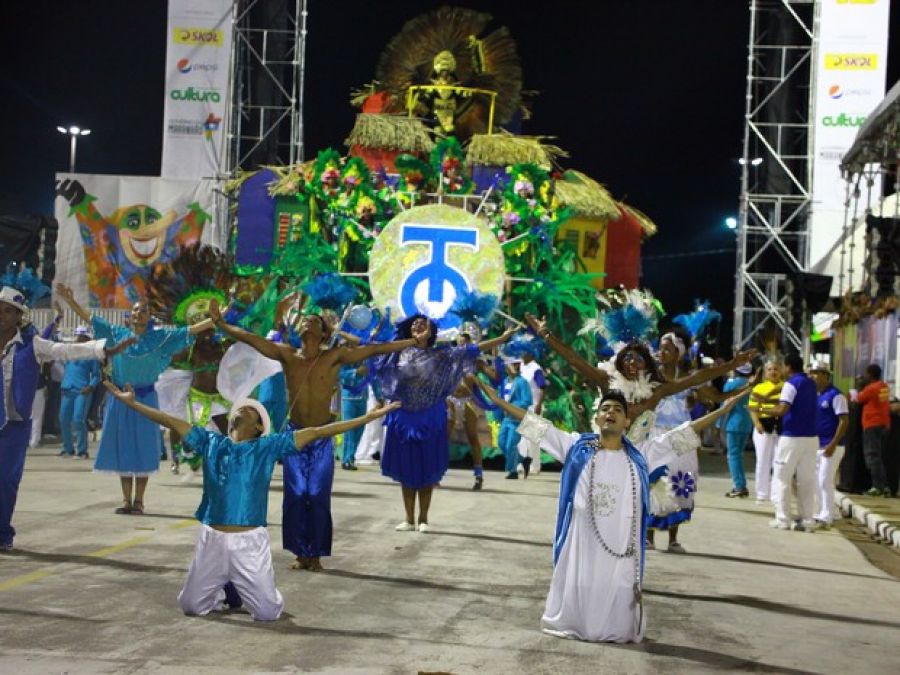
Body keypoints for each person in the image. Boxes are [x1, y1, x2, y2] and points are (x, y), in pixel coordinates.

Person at [468, 375, 746, 643]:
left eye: (617, 410)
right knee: (582, 584)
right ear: (598, 418)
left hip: (620, 540)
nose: (610, 412)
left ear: (626, 422)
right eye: (605, 409)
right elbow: (536, 425)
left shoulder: (642, 454)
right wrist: (499, 402)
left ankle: (613, 628)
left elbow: (684, 434)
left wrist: (725, 409)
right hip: (582, 537)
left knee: (616, 590)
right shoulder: (576, 446)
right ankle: (576, 624)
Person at [102, 380, 398, 620]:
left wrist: (366, 418)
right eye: (240, 407)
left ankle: (247, 589)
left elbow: (320, 431)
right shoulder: (210, 442)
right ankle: (219, 591)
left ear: (258, 427)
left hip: (249, 542)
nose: (242, 409)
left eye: (251, 410)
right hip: (211, 540)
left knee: (268, 613)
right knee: (191, 607)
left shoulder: (267, 447)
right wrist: (132, 403)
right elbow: (168, 419)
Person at [209, 299, 416, 572]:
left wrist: (411, 342)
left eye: (315, 321)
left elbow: (374, 349)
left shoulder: (334, 357)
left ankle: (315, 553)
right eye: (305, 320)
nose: (307, 322)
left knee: (317, 494)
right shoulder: (287, 354)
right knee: (295, 495)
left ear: (323, 333)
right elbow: (252, 339)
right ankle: (299, 552)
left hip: (321, 437)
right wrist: (222, 324)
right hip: (294, 436)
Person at [56, 284, 213, 515]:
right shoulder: (117, 334)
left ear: (149, 317)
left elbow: (189, 331)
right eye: (136, 310)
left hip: (146, 400)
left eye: (144, 311)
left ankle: (139, 501)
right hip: (120, 399)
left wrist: (215, 320)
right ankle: (126, 500)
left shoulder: (159, 338)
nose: (139, 313)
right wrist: (71, 302)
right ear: (130, 316)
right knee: (123, 448)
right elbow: (91, 318)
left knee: (143, 449)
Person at [0, 285, 131, 551]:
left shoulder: (32, 344)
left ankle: (3, 533)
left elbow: (65, 351)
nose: (1, 316)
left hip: (14, 426)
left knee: (6, 481)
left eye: (7, 312)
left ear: (18, 317)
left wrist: (104, 350)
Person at [376, 315, 514, 532]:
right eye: (414, 323)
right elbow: (374, 355)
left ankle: (423, 519)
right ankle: (408, 518)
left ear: (431, 331)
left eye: (423, 323)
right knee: (407, 468)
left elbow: (472, 350)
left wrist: (501, 339)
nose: (417, 325)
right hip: (403, 416)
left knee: (427, 467)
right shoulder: (397, 352)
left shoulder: (440, 355)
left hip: (430, 416)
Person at [763, 354, 819, 531]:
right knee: (807, 480)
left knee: (781, 478)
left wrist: (762, 409)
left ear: (788, 367)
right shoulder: (811, 383)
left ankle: (783, 519)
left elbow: (782, 409)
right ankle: (807, 520)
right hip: (811, 438)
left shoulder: (791, 384)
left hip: (792, 436)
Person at [809, 361, 848, 527]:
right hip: (817, 445)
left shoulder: (836, 395)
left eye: (817, 373)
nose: (814, 376)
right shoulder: (815, 395)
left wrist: (833, 443)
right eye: (812, 373)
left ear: (826, 375)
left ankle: (826, 516)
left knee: (825, 480)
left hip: (833, 446)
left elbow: (844, 421)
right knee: (818, 480)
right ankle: (830, 511)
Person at [58, 325, 101, 459]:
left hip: (82, 391)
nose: (79, 339)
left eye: (82, 336)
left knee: (78, 419)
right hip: (67, 390)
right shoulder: (69, 352)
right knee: (63, 419)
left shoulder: (91, 355)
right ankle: (68, 449)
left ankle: (82, 451)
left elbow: (96, 375)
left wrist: (91, 387)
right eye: (78, 336)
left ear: (87, 338)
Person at [748, 360, 783, 505]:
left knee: (778, 462)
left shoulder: (786, 387)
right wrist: (757, 423)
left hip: (781, 427)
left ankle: (776, 495)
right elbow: (753, 408)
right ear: (765, 372)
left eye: (775, 369)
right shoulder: (759, 388)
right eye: (769, 369)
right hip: (763, 426)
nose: (773, 372)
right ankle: (762, 493)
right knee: (763, 461)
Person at [856, 364, 892, 497]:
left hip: (872, 425)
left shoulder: (871, 388)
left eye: (865, 374)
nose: (864, 376)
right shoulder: (884, 386)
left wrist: (860, 386)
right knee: (879, 457)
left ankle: (877, 487)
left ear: (870, 375)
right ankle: (885, 486)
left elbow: (859, 399)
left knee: (872, 457)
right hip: (884, 424)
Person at [722, 363, 754, 498]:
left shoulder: (730, 385)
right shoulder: (752, 384)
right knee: (739, 455)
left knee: (733, 456)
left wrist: (719, 424)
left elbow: (724, 406)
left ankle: (739, 486)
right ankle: (741, 484)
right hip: (747, 423)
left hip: (733, 424)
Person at [498, 359, 532, 479]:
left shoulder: (522, 382)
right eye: (512, 364)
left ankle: (513, 471)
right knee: (501, 443)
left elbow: (527, 400)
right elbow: (500, 399)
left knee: (511, 444)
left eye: (517, 364)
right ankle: (523, 460)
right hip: (506, 418)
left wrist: (511, 407)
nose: (515, 367)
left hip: (516, 418)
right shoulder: (504, 382)